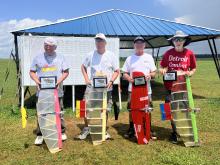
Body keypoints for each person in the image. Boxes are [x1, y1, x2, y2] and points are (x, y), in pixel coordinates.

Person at [76, 33, 119, 140]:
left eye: (101, 41)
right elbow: (83, 67)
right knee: (84, 107)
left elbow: (117, 71)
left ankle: (103, 130)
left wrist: (112, 81)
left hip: (106, 88)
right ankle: (86, 128)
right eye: (97, 41)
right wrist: (86, 79)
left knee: (105, 109)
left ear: (105, 43)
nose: (99, 43)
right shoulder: (90, 54)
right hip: (92, 87)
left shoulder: (111, 55)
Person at [30, 37, 69, 145]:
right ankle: (40, 134)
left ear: (55, 47)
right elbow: (32, 72)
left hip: (57, 90)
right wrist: (37, 82)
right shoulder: (38, 57)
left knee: (59, 111)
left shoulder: (61, 57)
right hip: (42, 92)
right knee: (41, 112)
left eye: (51, 46)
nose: (48, 47)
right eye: (46, 45)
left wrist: (58, 82)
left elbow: (66, 72)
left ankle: (61, 132)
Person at [159, 30, 197, 143]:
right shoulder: (168, 53)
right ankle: (175, 133)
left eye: (180, 39)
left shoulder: (189, 53)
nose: (178, 41)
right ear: (173, 41)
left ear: (184, 41)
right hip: (170, 87)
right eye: (176, 39)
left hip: (183, 87)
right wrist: (162, 70)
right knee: (170, 109)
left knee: (185, 109)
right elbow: (163, 67)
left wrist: (190, 73)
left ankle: (189, 132)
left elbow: (194, 68)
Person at [122, 36, 157, 139]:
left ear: (144, 45)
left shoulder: (149, 57)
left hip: (146, 90)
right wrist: (129, 78)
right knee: (132, 109)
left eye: (141, 43)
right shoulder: (129, 58)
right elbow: (124, 73)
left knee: (147, 108)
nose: (139, 45)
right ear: (134, 45)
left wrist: (150, 75)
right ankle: (132, 129)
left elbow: (154, 72)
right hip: (132, 90)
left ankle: (148, 128)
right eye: (137, 43)